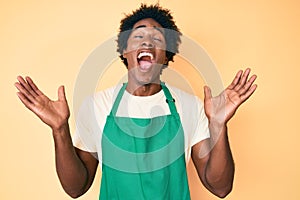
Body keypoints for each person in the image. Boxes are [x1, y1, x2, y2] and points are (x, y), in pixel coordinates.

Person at [15, 4, 257, 200]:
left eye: (157, 38)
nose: (147, 42)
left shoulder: (190, 106)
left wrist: (218, 126)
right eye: (138, 36)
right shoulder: (98, 105)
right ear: (124, 51)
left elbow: (220, 187)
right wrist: (59, 130)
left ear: (167, 54)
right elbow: (75, 188)